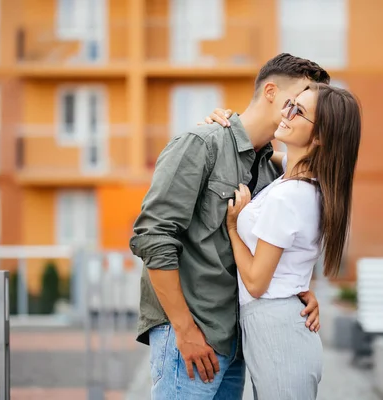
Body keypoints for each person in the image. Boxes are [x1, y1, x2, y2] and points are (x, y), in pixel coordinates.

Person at [129, 53, 331, 400]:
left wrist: (299, 291)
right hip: (190, 340)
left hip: (236, 344)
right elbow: (153, 237)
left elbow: (273, 249)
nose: (299, 110)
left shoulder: (272, 174)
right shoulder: (202, 143)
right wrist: (184, 329)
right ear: (271, 91)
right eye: (296, 101)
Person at [205, 83, 361, 399]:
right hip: (276, 324)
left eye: (298, 111)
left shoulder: (291, 196)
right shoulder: (294, 181)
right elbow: (258, 148)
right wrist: (224, 125)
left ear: (319, 138)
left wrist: (234, 228)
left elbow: (257, 283)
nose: (286, 113)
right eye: (290, 103)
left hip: (277, 328)